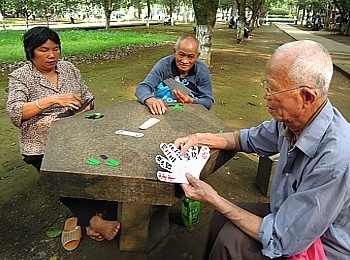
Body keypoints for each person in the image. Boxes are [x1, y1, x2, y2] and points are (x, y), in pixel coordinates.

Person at [174, 40, 350, 259]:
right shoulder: (291, 121)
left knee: (231, 242)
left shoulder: (336, 159)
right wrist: (200, 138)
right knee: (221, 220)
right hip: (289, 216)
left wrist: (213, 198)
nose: (265, 96)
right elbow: (245, 139)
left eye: (273, 89)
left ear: (307, 97)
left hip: (321, 245)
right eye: (265, 85)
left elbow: (284, 238)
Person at [6, 26, 120, 243]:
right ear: (30, 52)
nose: (52, 55)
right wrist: (52, 100)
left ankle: (96, 216)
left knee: (98, 167)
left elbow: (88, 95)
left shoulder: (68, 68)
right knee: (63, 179)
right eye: (44, 50)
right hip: (41, 144)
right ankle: (94, 221)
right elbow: (15, 113)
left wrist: (85, 107)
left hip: (77, 135)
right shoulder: (21, 77)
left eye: (56, 49)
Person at [135, 35, 214, 115]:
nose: (185, 61)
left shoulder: (202, 71)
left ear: (197, 56)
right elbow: (143, 87)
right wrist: (150, 99)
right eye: (181, 55)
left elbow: (208, 102)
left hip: (190, 115)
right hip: (162, 111)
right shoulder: (164, 65)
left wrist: (191, 101)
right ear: (174, 52)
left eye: (190, 57)